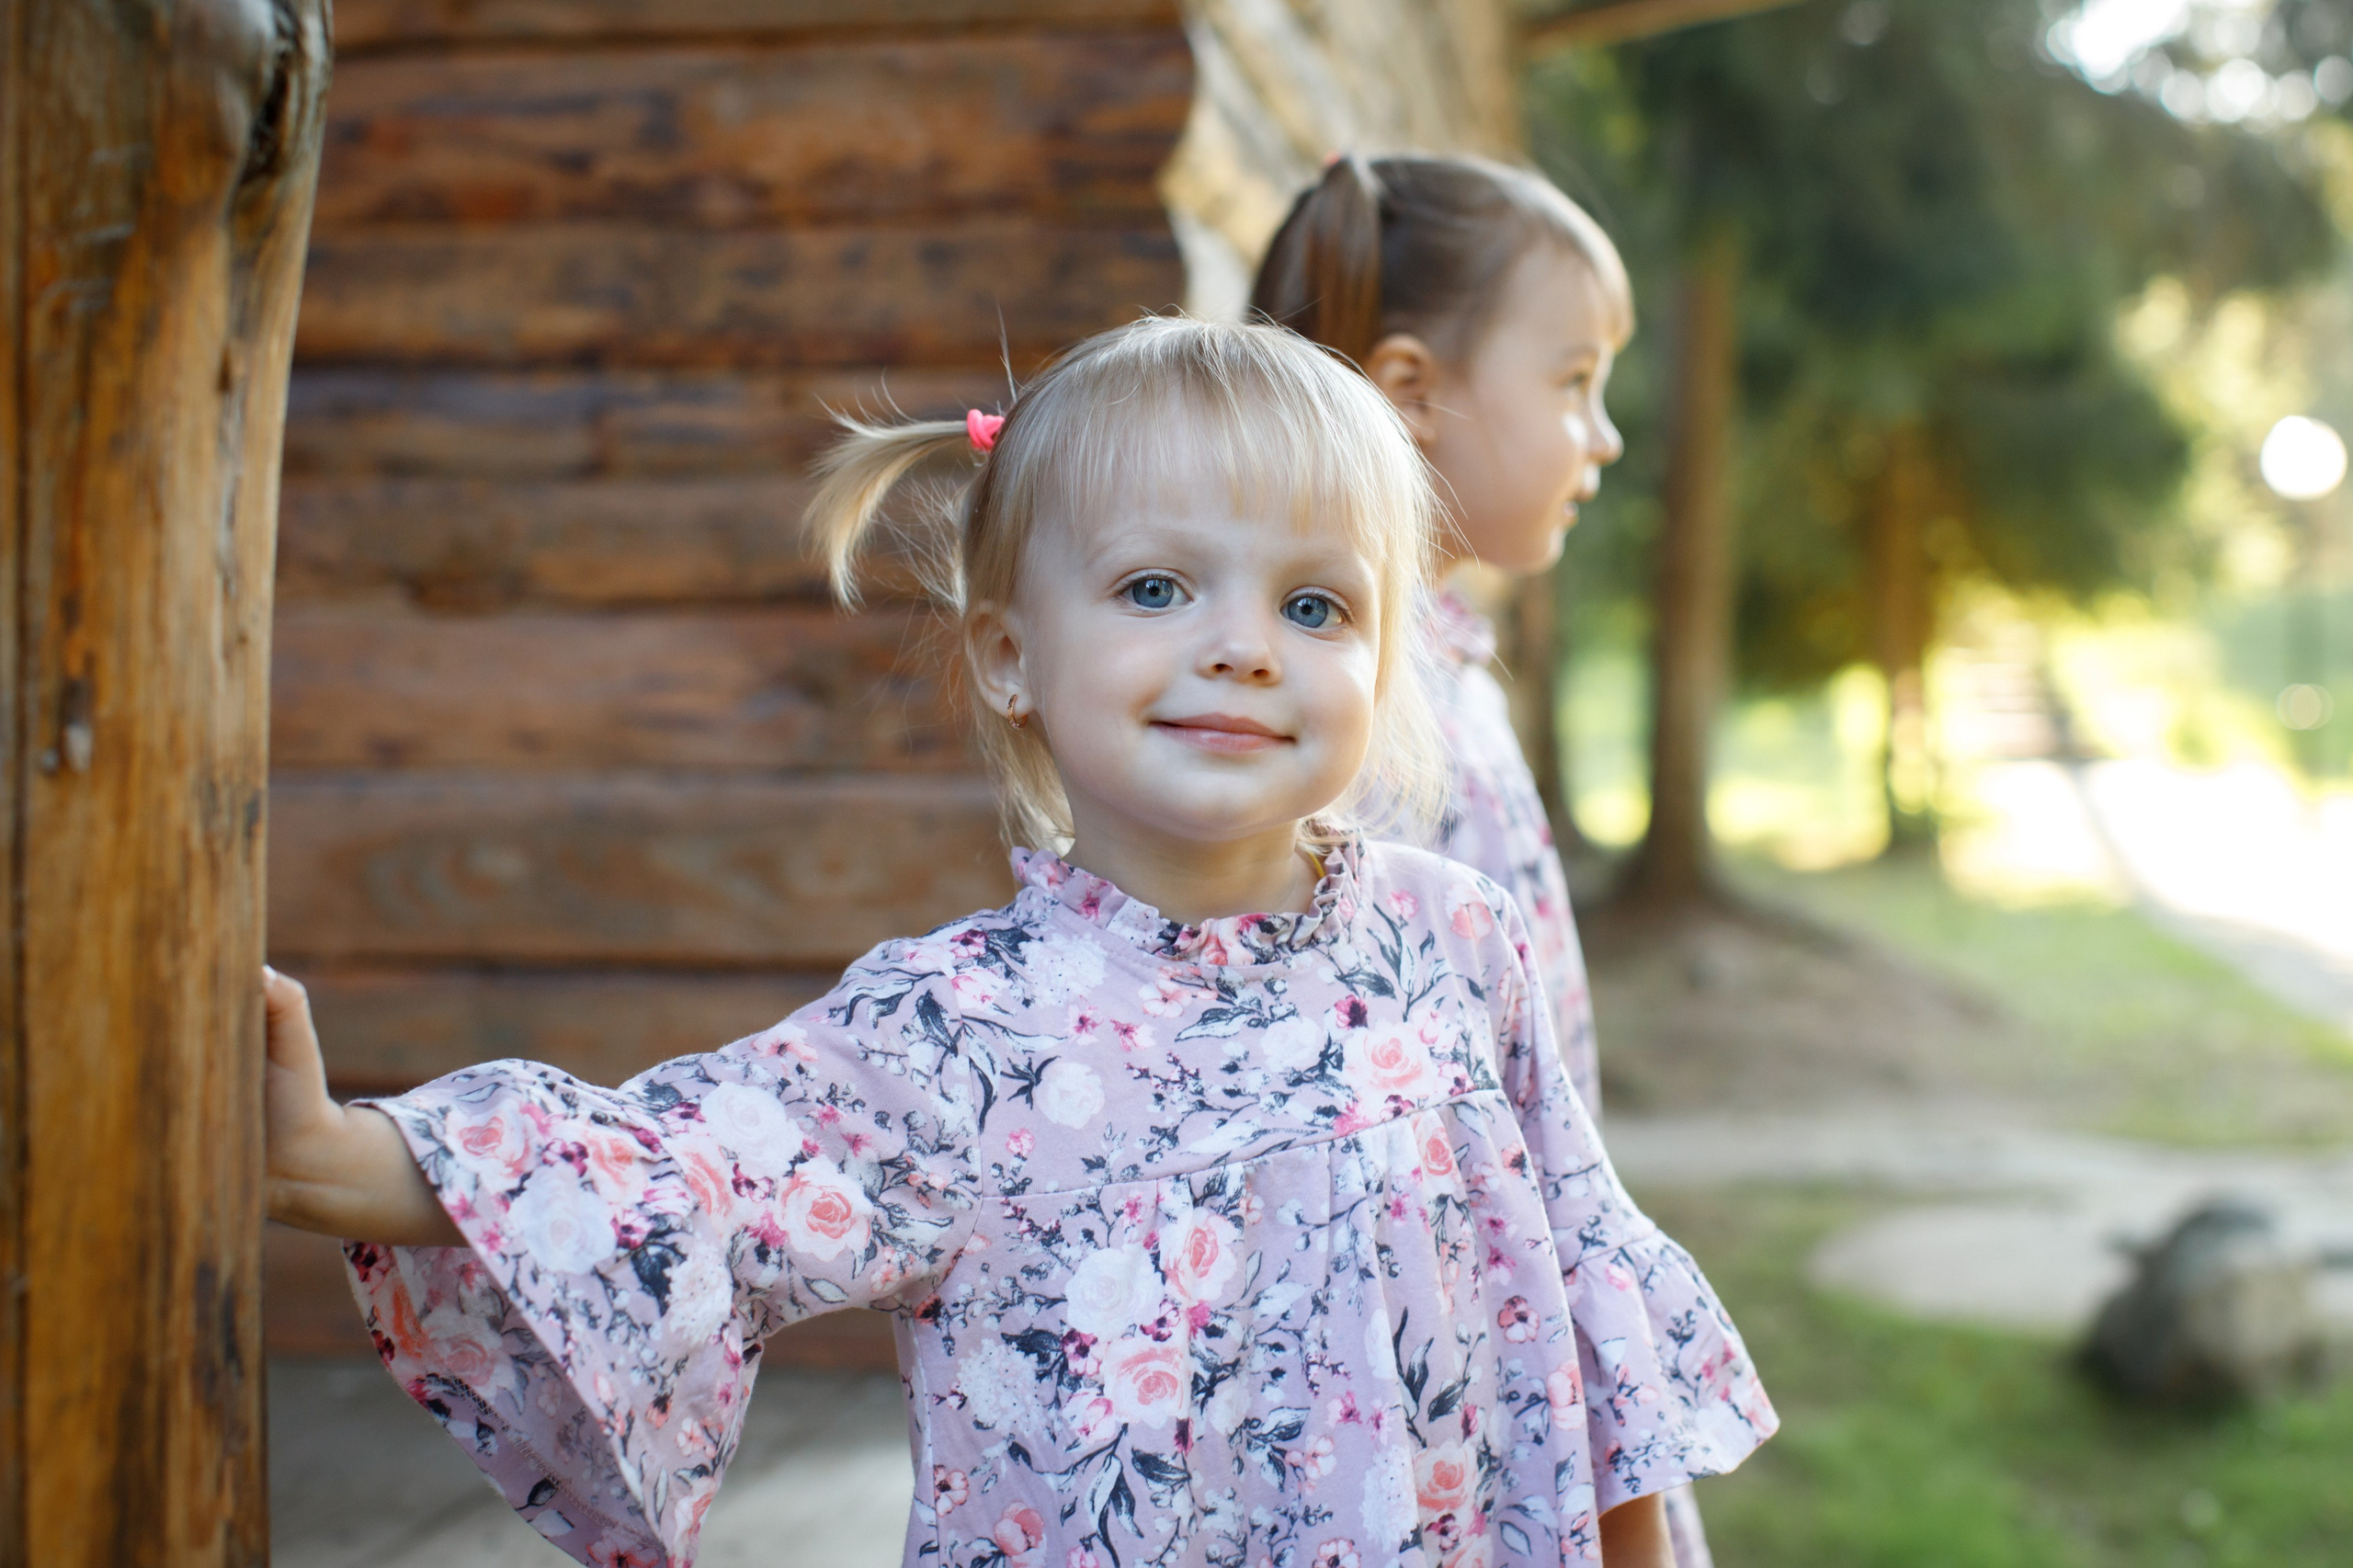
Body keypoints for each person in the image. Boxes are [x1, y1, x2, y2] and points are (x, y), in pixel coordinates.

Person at [264, 316, 1773, 1568]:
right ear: (1008, 652)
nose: (1242, 642)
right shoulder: (956, 1032)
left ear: (1385, 663)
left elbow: (1580, 1303)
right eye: (1156, 587)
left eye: (1315, 602)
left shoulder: (1456, 943)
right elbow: (681, 1177)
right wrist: (350, 1160)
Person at [1253, 153, 1713, 1566]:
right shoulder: (1364, 729)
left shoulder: (1439, 672)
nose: (1607, 434)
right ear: (1407, 390)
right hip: (1460, 1358)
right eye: (1574, 380)